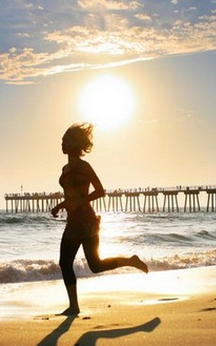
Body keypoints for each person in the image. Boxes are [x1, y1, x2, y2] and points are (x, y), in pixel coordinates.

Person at [51, 123, 148, 316]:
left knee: (94, 265)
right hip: (72, 222)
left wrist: (80, 201)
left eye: (66, 140)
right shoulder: (64, 168)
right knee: (66, 263)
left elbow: (101, 191)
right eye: (62, 140)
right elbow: (72, 197)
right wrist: (61, 205)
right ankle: (74, 306)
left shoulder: (84, 166)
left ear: (75, 144)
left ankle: (131, 261)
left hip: (87, 222)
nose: (62, 143)